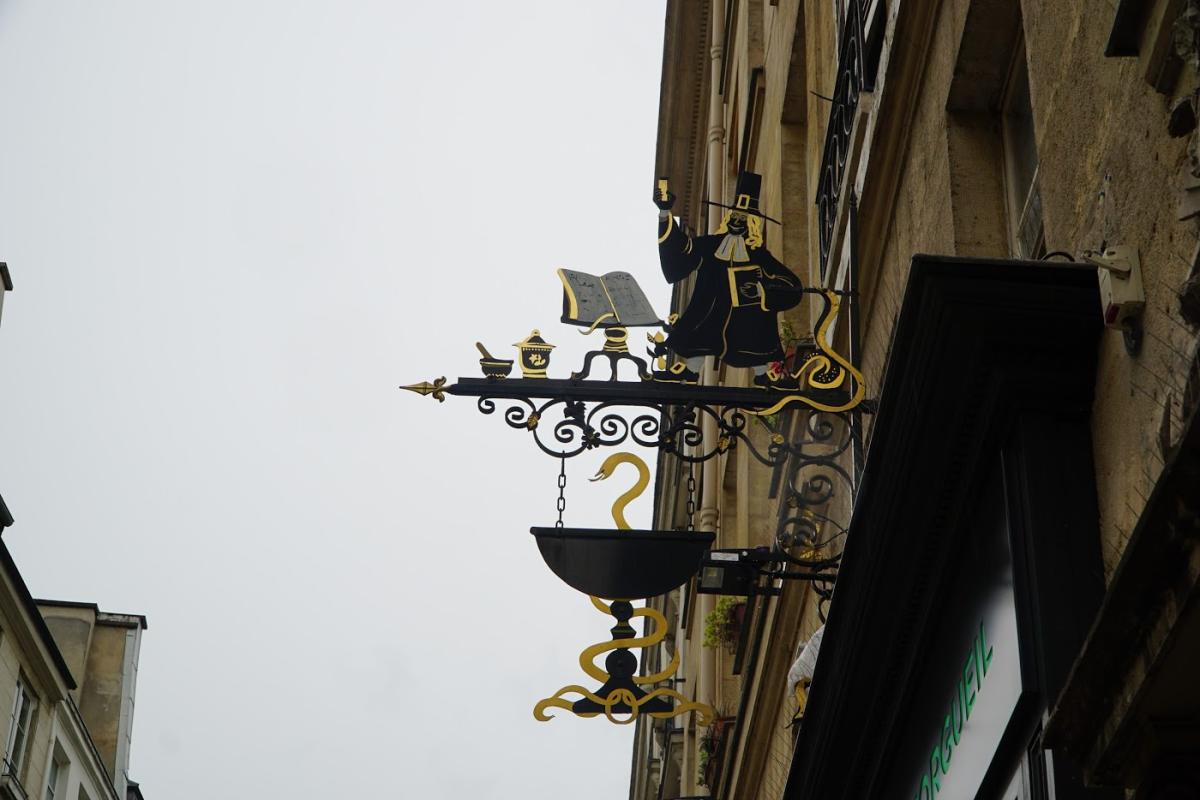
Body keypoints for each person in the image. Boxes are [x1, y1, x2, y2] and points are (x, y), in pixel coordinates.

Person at [653, 171, 804, 385]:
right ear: (728, 218)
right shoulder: (710, 246)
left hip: (746, 316)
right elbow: (681, 251)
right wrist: (665, 213)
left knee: (755, 340)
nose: (737, 221)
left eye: (743, 218)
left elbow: (792, 285)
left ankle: (765, 375)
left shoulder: (759, 255)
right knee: (700, 333)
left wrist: (762, 290)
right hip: (709, 309)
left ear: (751, 223)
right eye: (735, 216)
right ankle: (689, 372)